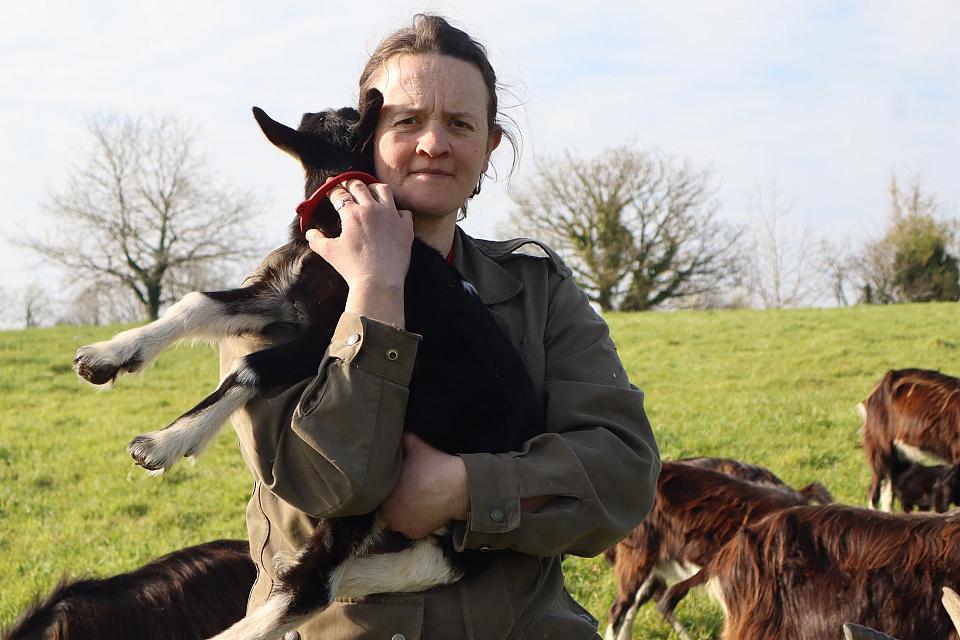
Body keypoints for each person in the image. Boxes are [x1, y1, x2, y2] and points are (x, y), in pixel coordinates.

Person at [221, 14, 660, 639]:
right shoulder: (275, 296)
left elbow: (623, 474)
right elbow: (333, 482)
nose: (433, 143)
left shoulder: (537, 290)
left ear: (490, 147)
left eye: (460, 124)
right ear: (364, 138)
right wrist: (375, 291)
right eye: (406, 122)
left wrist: (466, 488)